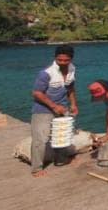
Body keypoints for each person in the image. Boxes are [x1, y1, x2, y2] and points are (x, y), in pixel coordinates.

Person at [30, 45, 78, 177]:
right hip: (42, 109)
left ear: (71, 59)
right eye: (59, 60)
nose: (62, 63)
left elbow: (71, 88)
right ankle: (36, 168)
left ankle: (62, 159)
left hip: (62, 108)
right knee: (41, 138)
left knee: (62, 134)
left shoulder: (72, 69)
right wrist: (53, 106)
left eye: (65, 60)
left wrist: (73, 104)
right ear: (55, 58)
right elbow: (36, 93)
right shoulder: (46, 73)